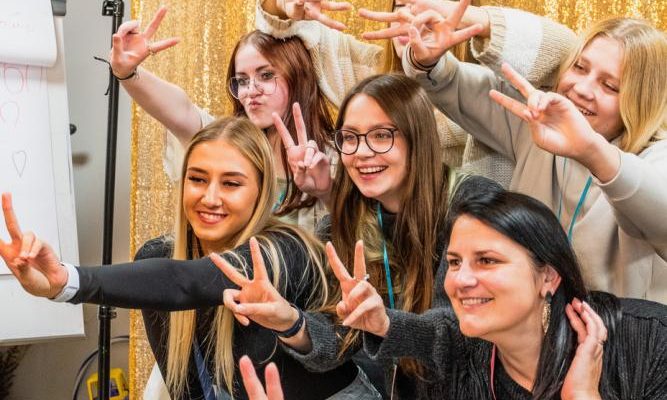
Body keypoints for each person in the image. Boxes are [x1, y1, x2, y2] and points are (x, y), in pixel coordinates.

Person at [0, 117, 380, 400]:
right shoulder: (158, 257)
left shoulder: (281, 249)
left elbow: (187, 282)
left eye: (231, 183)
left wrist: (67, 281)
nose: (209, 198)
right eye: (197, 179)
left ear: (261, 191)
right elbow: (185, 382)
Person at [219, 73, 503, 398]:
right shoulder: (343, 224)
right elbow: (340, 337)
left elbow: (462, 335)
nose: (362, 152)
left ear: (417, 138)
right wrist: (290, 322)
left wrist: (386, 323)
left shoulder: (473, 203)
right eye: (350, 137)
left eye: (381, 136)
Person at [400, 4, 667, 302]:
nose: (582, 88)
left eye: (609, 86)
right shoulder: (537, 123)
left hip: (617, 328)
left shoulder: (657, 155)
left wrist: (592, 151)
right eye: (579, 68)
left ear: (642, 100)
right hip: (529, 322)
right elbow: (449, 83)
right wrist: (427, 60)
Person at [255, 0, 577, 187]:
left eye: (425, 5)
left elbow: (567, 55)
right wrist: (280, 5)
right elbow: (296, 33)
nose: (411, 17)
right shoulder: (371, 75)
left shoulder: (495, 91)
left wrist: (474, 20)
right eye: (402, 5)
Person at [110, 8, 335, 230]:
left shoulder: (334, 156)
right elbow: (181, 111)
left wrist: (326, 191)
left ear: (298, 77)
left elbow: (350, 229)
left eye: (266, 76)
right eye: (242, 80)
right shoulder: (228, 146)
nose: (251, 91)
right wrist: (128, 73)